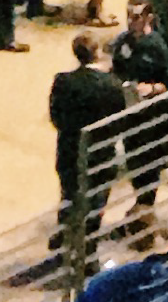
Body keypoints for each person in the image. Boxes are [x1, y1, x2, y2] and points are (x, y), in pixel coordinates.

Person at [47, 33, 128, 242]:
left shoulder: (63, 81)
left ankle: (64, 237)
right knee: (97, 198)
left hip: (69, 149)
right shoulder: (112, 86)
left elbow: (56, 116)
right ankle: (89, 245)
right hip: (101, 152)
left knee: (69, 193)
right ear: (97, 53)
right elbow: (119, 121)